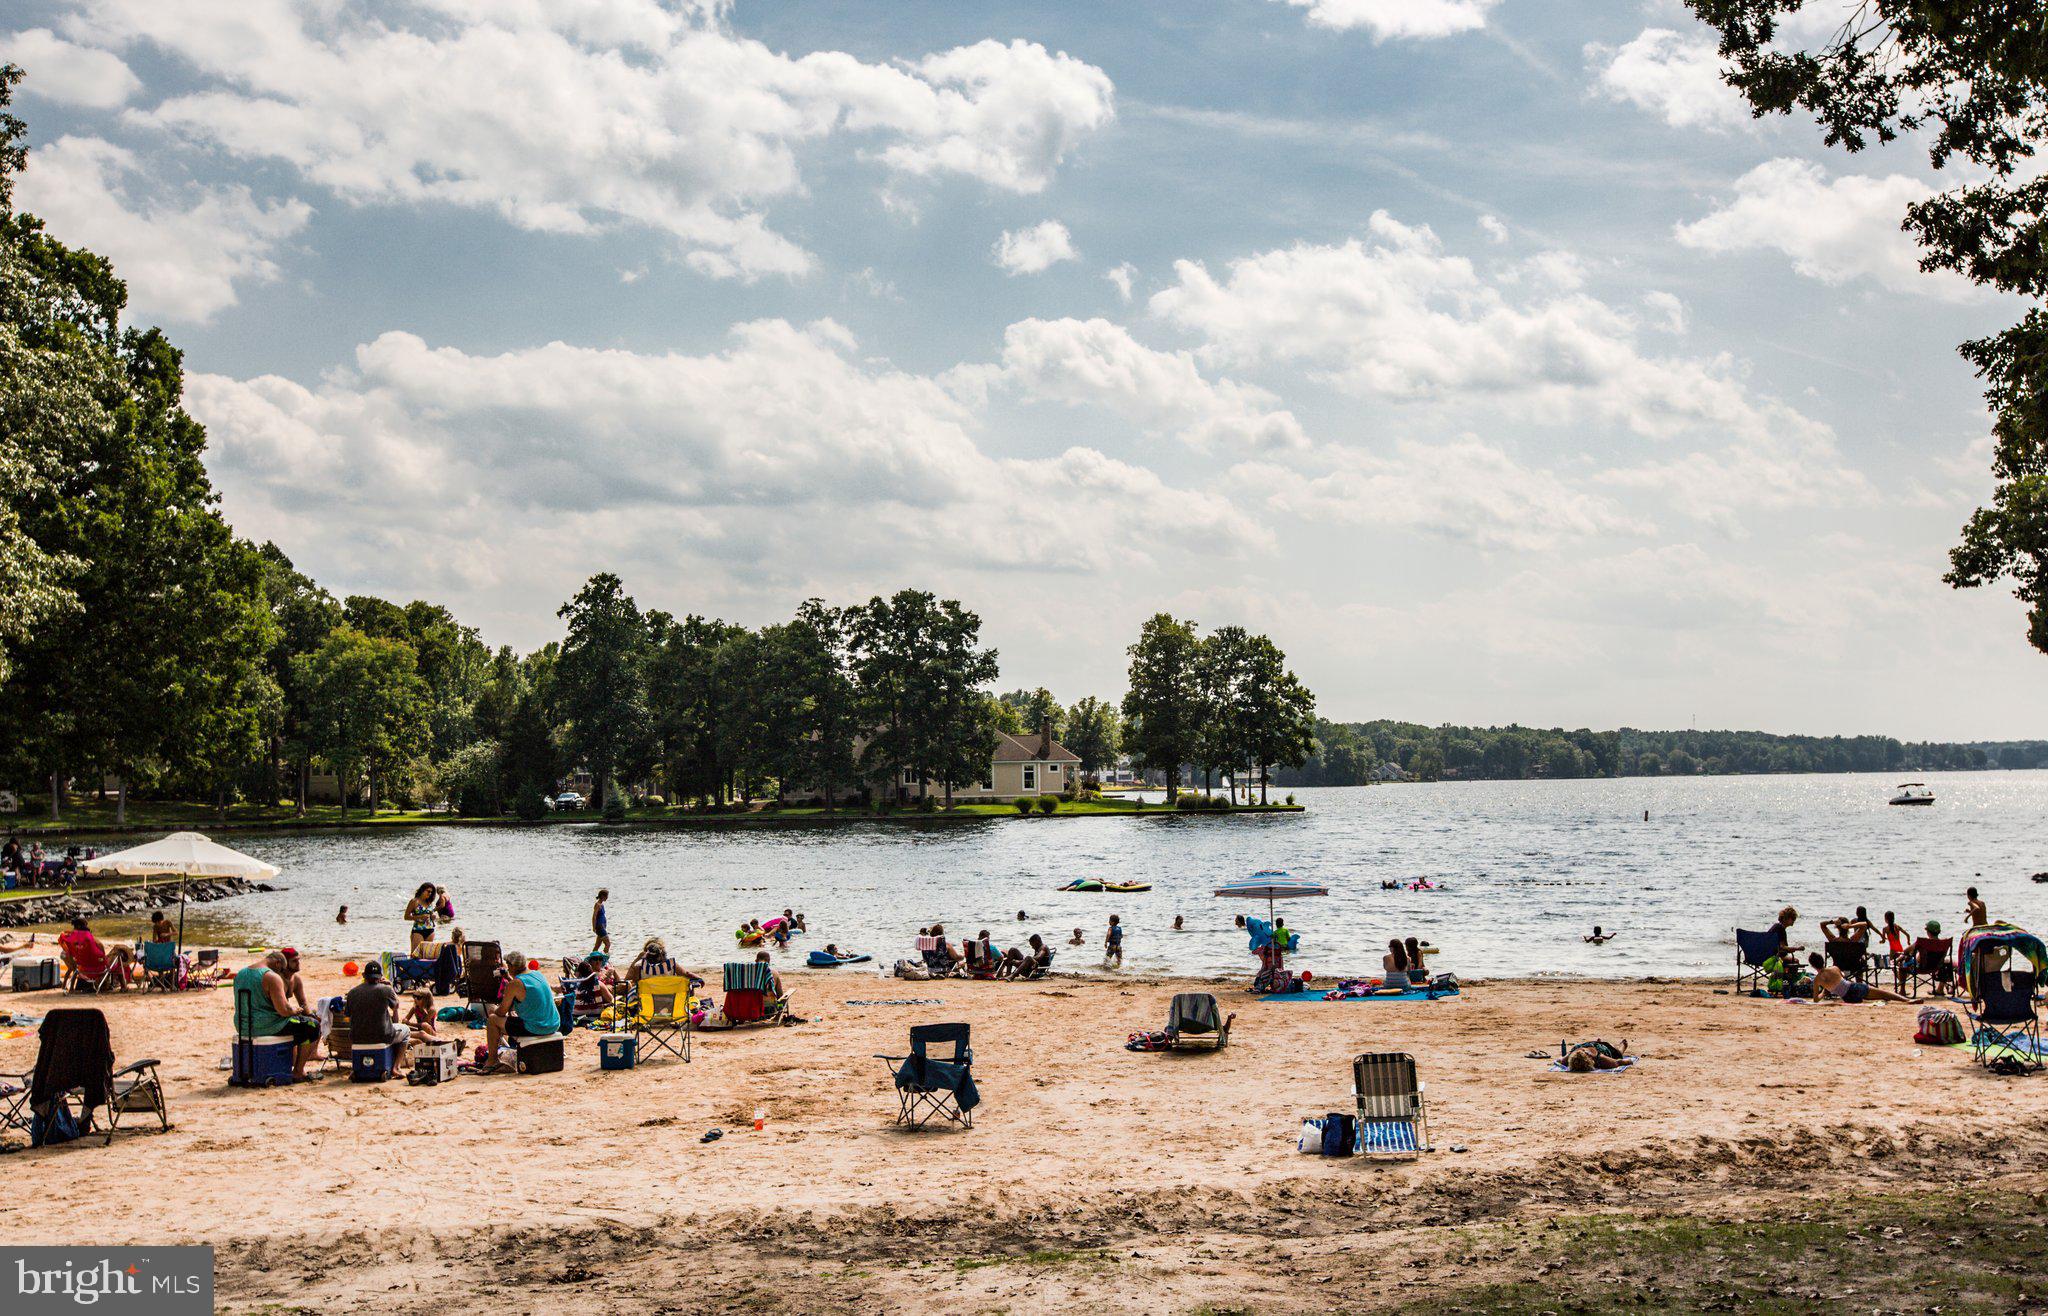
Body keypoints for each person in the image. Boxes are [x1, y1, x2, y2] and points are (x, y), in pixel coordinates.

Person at [235, 951, 320, 1080]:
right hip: (268, 1025)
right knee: (312, 1026)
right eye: (281, 969)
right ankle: (298, 1071)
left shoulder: (240, 974)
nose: (280, 972)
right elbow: (284, 1010)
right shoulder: (272, 977)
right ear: (277, 963)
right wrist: (296, 1010)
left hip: (243, 1026)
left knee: (299, 1025)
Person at [484, 949, 560, 1070]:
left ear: (512, 966)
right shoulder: (538, 974)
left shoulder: (515, 984)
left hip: (536, 1027)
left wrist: (494, 1010)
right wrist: (509, 978)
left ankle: (492, 1060)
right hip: (553, 1023)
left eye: (508, 965)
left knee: (492, 1020)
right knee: (512, 1017)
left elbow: (502, 1012)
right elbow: (524, 988)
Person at [346, 960, 415, 1071]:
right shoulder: (385, 989)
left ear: (364, 976)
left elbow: (348, 1014)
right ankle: (396, 1067)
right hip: (381, 1036)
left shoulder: (352, 992)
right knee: (406, 1030)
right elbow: (396, 1006)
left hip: (357, 1037)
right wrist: (391, 987)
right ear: (380, 977)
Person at [57, 916, 134, 990]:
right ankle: (123, 986)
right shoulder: (92, 940)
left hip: (82, 968)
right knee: (118, 959)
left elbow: (62, 936)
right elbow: (102, 956)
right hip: (98, 969)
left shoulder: (72, 939)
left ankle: (69, 987)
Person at [1806, 953, 1914, 1004]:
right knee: (1884, 993)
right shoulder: (1834, 968)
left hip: (1847, 998)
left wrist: (1824, 992)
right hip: (1853, 988)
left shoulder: (1817, 980)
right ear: (1822, 961)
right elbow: (1843, 978)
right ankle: (1906, 1000)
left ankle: (1900, 1000)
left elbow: (1816, 999)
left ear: (1813, 966)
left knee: (1877, 997)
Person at [1908, 921, 1954, 995]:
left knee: (1903, 964)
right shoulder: (1944, 942)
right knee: (1947, 963)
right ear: (1939, 932)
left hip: (1922, 968)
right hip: (1937, 967)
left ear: (1928, 932)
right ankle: (1940, 989)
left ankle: (1902, 990)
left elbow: (1906, 951)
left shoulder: (1922, 942)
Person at [404, 882, 438, 956]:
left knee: (427, 955)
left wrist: (433, 917)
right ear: (422, 890)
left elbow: (431, 914)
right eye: (428, 891)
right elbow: (406, 917)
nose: (430, 894)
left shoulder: (429, 902)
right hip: (418, 930)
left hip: (430, 930)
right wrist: (419, 917)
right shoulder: (414, 901)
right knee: (415, 955)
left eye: (431, 892)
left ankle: (424, 968)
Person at [279, 947, 312, 1015]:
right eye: (294, 961)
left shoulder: (296, 979)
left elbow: (303, 1003)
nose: (298, 963)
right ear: (285, 963)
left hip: (286, 1012)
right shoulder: (277, 979)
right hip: (274, 1015)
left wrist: (310, 1016)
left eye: (298, 960)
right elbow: (279, 1007)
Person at [591, 889, 611, 956]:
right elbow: (594, 916)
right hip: (600, 927)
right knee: (608, 944)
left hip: (602, 927)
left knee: (597, 946)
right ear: (602, 896)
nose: (607, 898)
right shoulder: (597, 905)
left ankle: (591, 960)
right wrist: (594, 927)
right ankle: (604, 960)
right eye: (606, 896)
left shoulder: (601, 905)